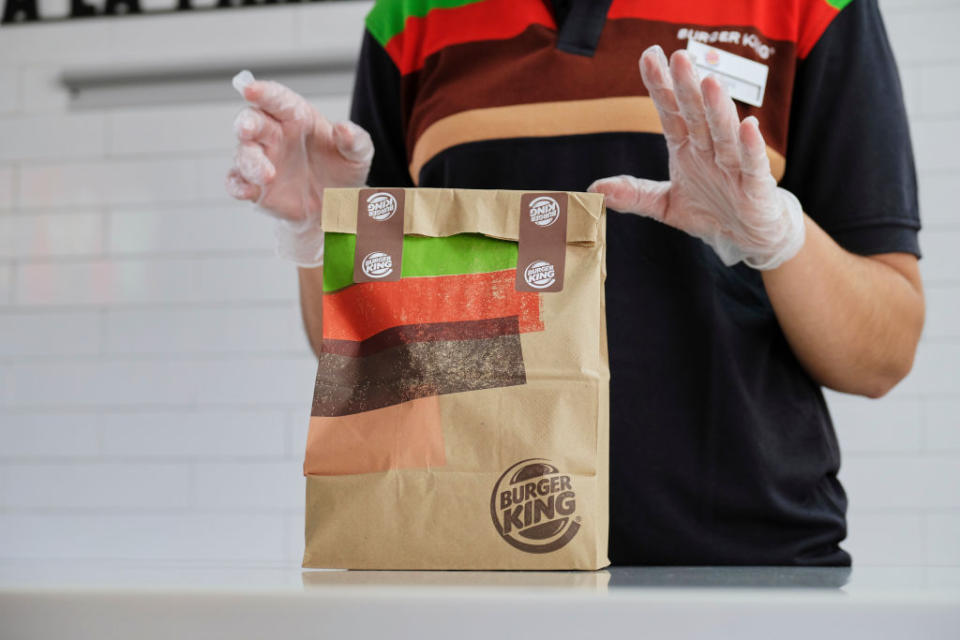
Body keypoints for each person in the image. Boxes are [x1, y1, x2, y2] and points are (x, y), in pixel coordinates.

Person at [225, 0, 924, 566]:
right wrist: (322, 235)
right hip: (474, 563)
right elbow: (369, 361)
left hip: (746, 571)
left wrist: (778, 240)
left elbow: (883, 353)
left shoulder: (813, 7)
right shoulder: (409, 20)